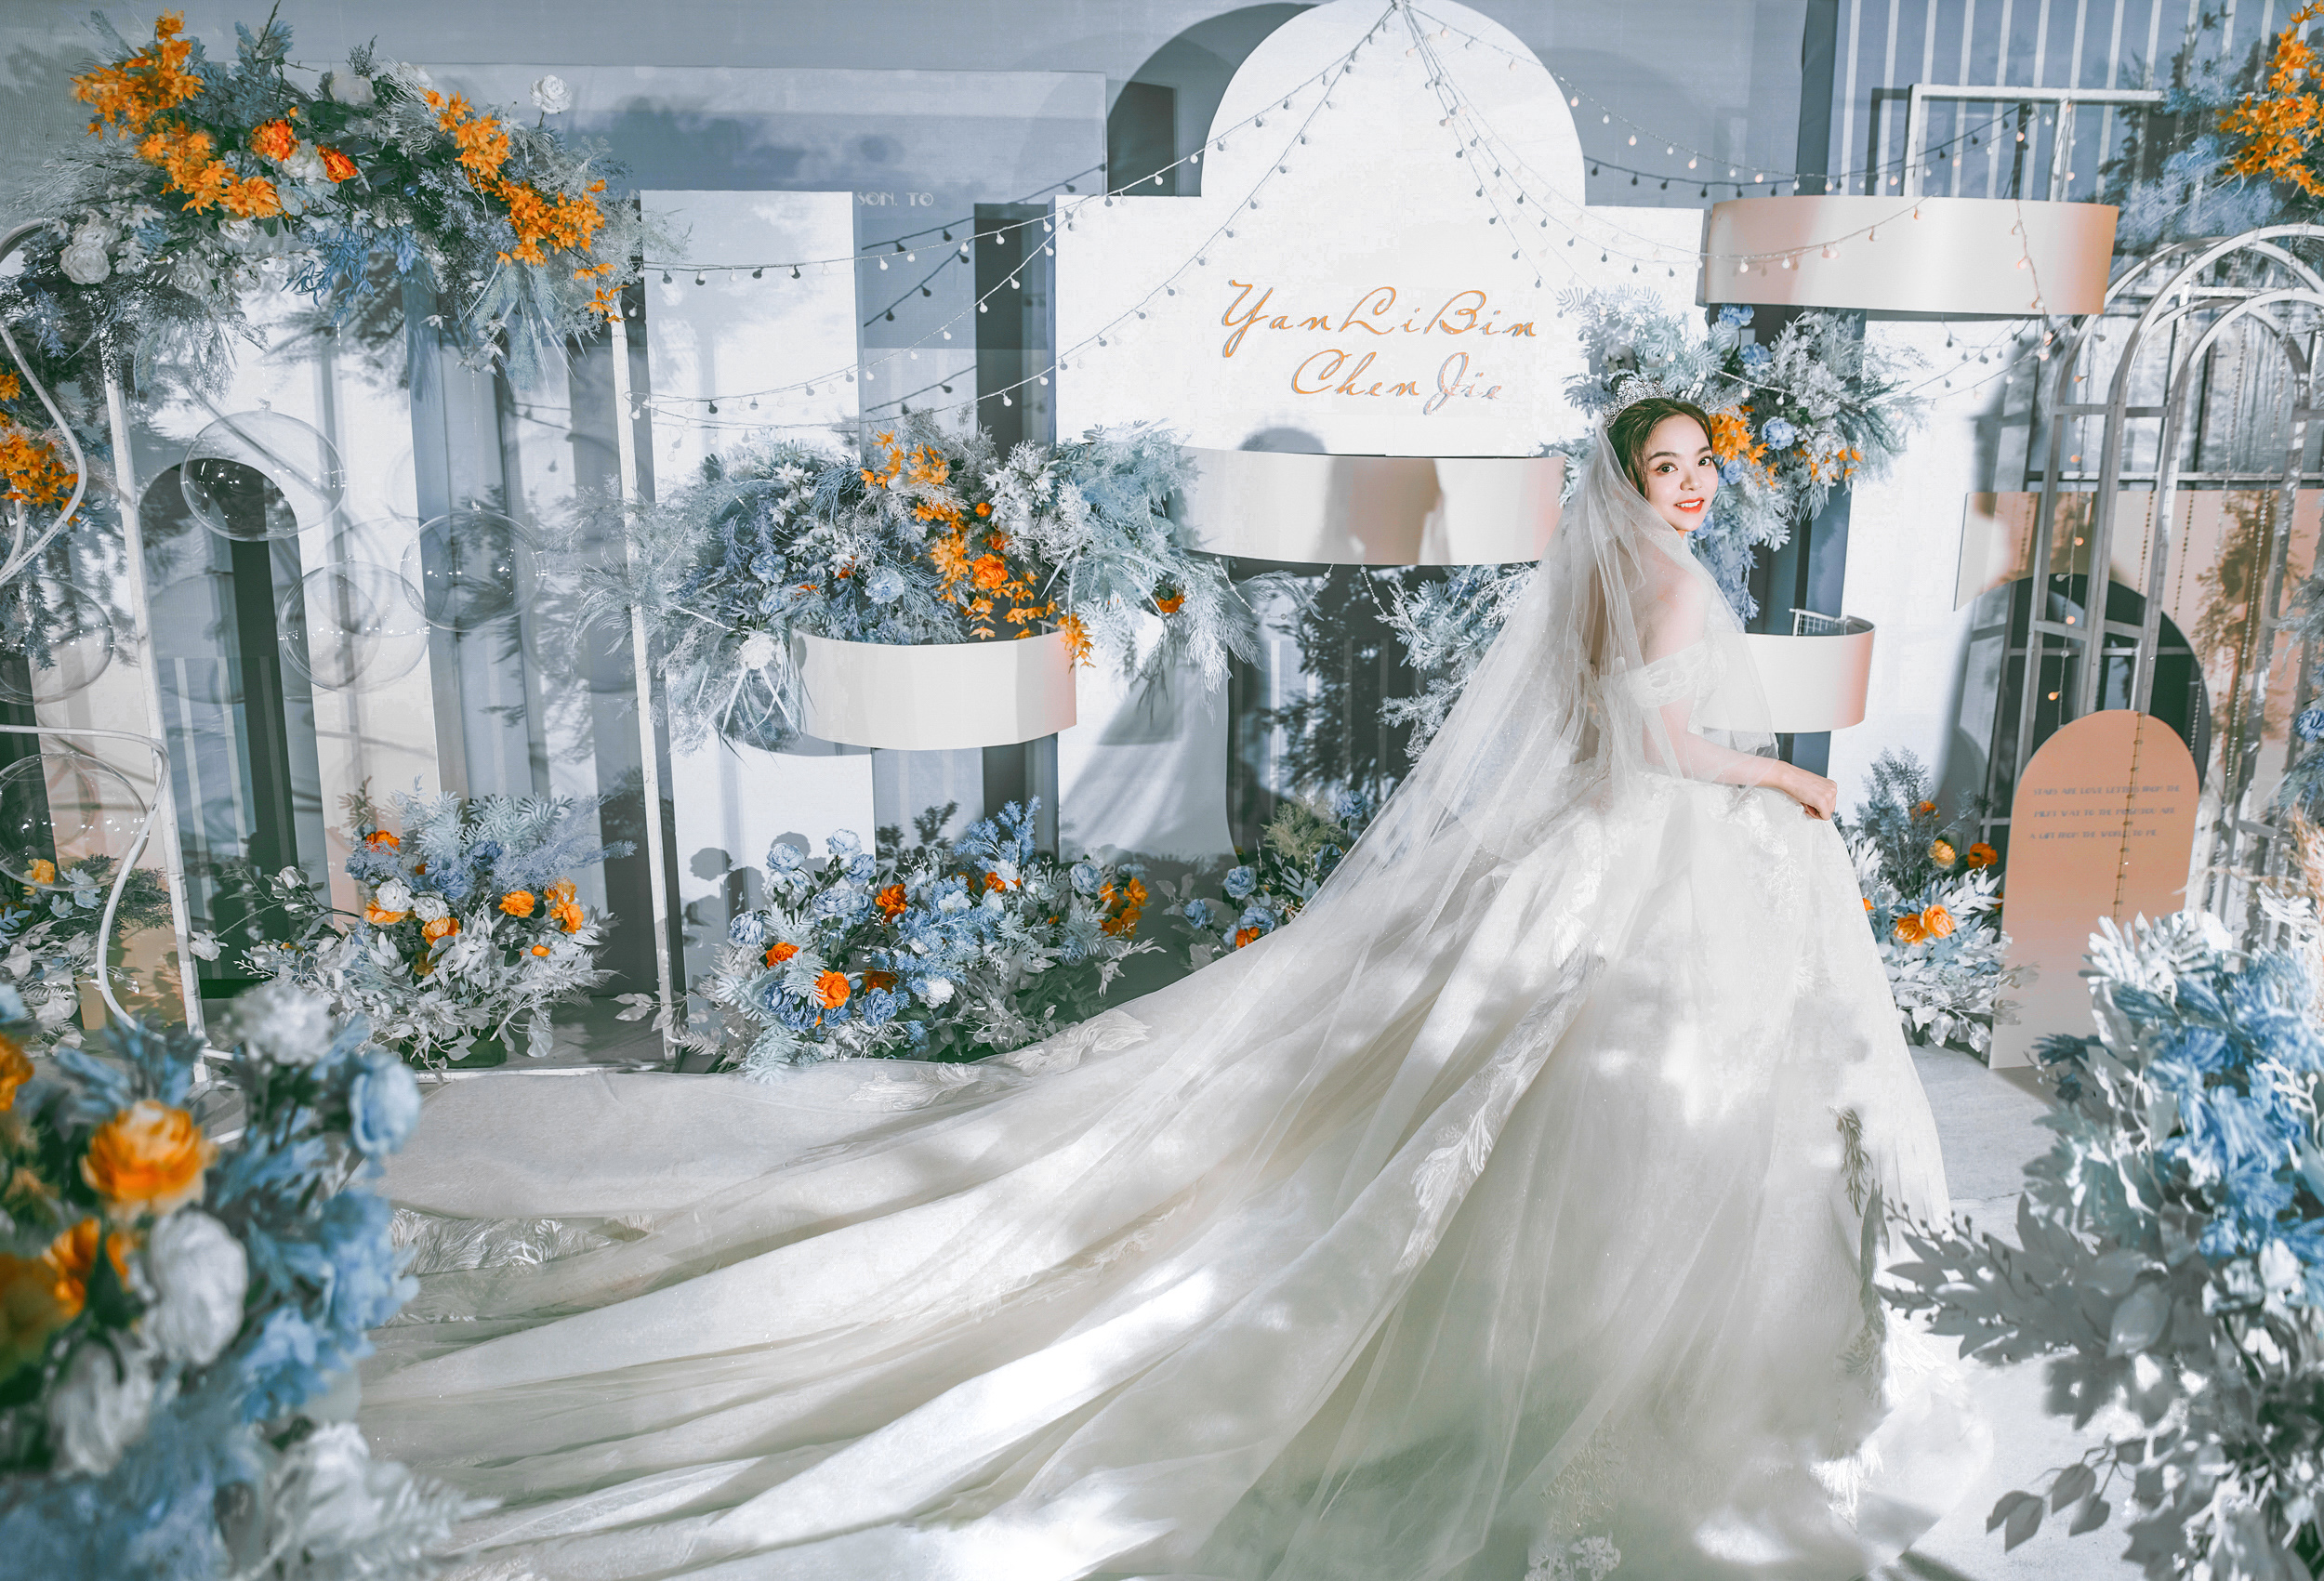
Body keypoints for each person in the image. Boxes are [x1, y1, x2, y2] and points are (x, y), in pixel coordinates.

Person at [363, 396, 1989, 1581]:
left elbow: (1592, 729)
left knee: (1520, 1082)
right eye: (1669, 466)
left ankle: (1566, 1323)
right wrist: (1786, 780)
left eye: (1702, 463)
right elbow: (1659, 742)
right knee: (1595, 1092)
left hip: (1591, 851)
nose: (1692, 485)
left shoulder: (1618, 574)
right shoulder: (1674, 583)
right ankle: (1581, 1350)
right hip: (1642, 847)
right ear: (1632, 482)